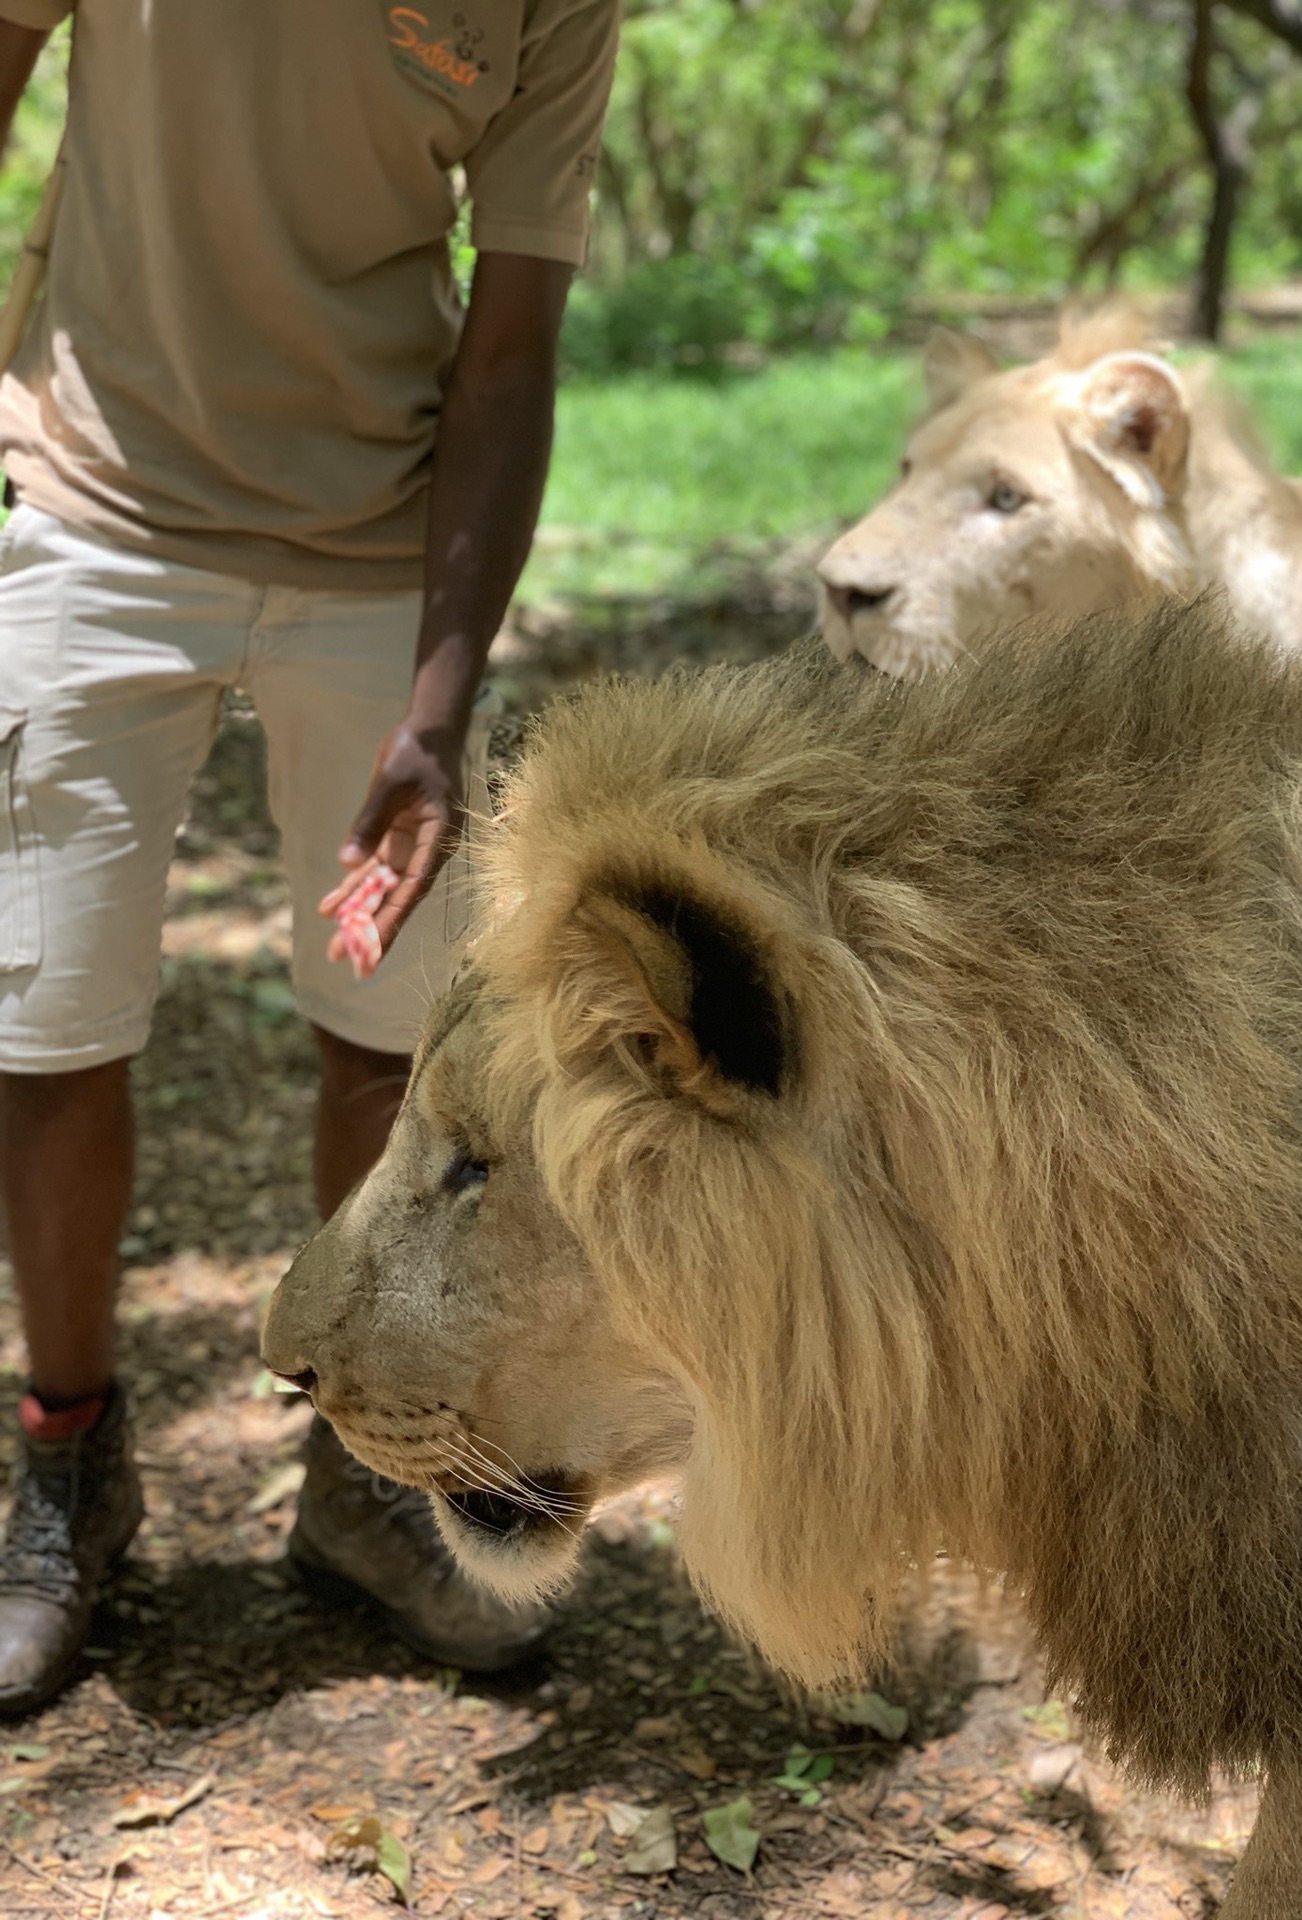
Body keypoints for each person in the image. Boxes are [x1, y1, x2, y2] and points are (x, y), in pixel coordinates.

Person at [0, 0, 621, 1715]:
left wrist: (439, 708)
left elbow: (510, 352)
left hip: (377, 543)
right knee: (50, 1019)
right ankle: (64, 1470)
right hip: (96, 514)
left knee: (388, 1027)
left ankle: (368, 1473)